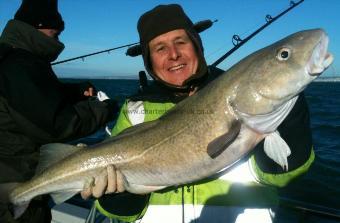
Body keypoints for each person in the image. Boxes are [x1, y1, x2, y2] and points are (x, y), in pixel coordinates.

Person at [88, 4, 314, 223]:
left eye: (180, 41)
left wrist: (288, 106)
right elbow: (125, 214)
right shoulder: (135, 109)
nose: (173, 54)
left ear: (196, 44)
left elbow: (283, 174)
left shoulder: (241, 92)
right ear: (149, 61)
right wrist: (117, 197)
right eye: (160, 48)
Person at [0, 0, 119, 222]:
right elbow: (56, 124)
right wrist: (104, 109)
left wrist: (76, 91)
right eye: (54, 34)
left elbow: (35, 99)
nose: (58, 41)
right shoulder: (20, 65)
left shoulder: (11, 59)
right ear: (36, 28)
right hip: (11, 183)